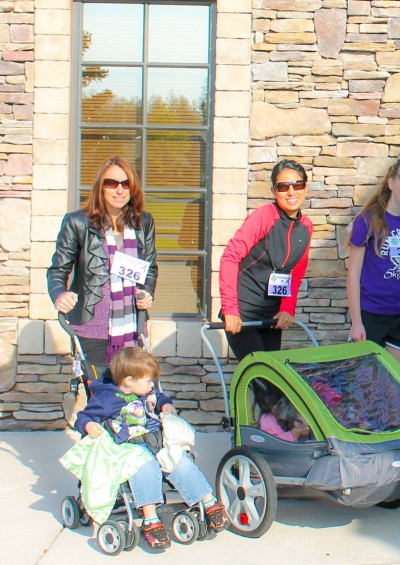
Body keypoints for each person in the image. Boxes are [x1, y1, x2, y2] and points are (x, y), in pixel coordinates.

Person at [74, 347, 227, 549]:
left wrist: (165, 404)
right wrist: (88, 425)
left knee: (180, 460)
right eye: (148, 381)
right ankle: (150, 518)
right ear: (129, 381)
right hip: (129, 447)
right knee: (145, 466)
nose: (151, 385)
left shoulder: (145, 391)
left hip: (156, 441)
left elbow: (158, 397)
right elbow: (84, 417)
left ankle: (208, 501)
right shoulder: (107, 399)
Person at [48, 156, 158, 376]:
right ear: (101, 186)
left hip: (132, 328)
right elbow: (58, 269)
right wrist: (60, 294)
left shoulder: (143, 223)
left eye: (125, 184)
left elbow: (150, 268)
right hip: (92, 327)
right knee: (102, 397)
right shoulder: (78, 222)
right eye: (111, 183)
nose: (119, 190)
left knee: (135, 397)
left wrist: (147, 291)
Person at [219, 159, 313, 360]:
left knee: (272, 382)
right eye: (283, 186)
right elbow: (230, 257)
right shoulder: (263, 216)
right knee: (263, 381)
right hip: (243, 313)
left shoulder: (306, 226)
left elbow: (296, 272)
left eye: (297, 185)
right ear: (273, 191)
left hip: (271, 316)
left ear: (305, 187)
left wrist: (287, 308)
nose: (291, 192)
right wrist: (230, 309)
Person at [346, 157, 400, 370]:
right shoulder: (368, 219)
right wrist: (356, 322)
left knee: (396, 386)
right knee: (363, 384)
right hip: (370, 313)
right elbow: (353, 274)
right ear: (391, 184)